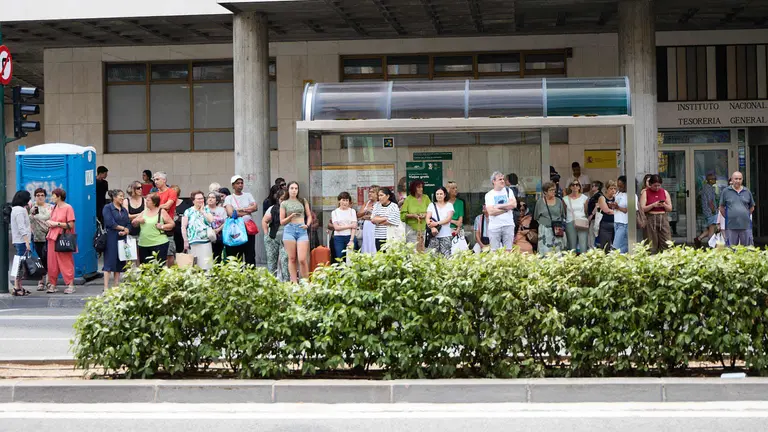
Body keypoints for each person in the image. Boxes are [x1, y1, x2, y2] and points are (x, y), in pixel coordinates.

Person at [45, 188, 76, 294]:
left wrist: (56, 224)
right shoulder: (54, 207)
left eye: (53, 195)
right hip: (52, 237)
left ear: (59, 196)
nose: (52, 197)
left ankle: (70, 284)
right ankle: (52, 284)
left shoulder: (68, 208)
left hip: (62, 237)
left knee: (65, 261)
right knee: (52, 262)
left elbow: (71, 225)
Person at [280, 181, 312, 282]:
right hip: (289, 230)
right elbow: (282, 221)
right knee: (292, 258)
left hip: (302, 229)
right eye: (292, 188)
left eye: (296, 188)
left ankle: (306, 282)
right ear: (288, 190)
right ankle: (294, 283)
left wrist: (307, 225)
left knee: (302, 259)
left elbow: (309, 215)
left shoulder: (303, 201)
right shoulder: (284, 203)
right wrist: (290, 216)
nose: (294, 190)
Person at [224, 175, 258, 265]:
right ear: (233, 185)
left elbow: (255, 207)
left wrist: (239, 210)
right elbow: (231, 213)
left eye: (241, 183)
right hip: (236, 229)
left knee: (250, 254)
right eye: (237, 183)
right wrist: (247, 210)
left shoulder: (248, 195)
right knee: (236, 254)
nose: (240, 185)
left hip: (248, 228)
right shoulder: (229, 198)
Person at [133, 193, 174, 265]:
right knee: (145, 268)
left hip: (159, 243)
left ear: (154, 202)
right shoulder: (144, 212)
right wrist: (138, 221)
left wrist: (162, 226)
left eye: (148, 200)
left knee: (158, 267)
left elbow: (172, 224)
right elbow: (133, 223)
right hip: (143, 244)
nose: (146, 202)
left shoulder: (161, 211)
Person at [102, 189, 130, 291]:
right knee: (109, 261)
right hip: (111, 237)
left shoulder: (124, 210)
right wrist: (123, 228)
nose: (122, 198)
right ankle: (105, 288)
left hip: (122, 238)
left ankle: (116, 286)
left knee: (120, 261)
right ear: (114, 197)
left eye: (123, 196)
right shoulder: (107, 208)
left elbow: (128, 223)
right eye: (120, 196)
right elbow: (110, 222)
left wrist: (126, 230)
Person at [719, 171, 755, 247]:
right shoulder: (726, 191)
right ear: (731, 180)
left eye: (740, 179)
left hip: (746, 226)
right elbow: (721, 207)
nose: (738, 181)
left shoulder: (747, 191)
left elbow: (752, 207)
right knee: (731, 250)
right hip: (730, 226)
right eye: (736, 179)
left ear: (742, 180)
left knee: (748, 250)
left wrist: (744, 215)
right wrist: (730, 217)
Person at [182, 191, 215, 270]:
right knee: (194, 266)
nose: (201, 200)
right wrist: (185, 241)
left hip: (205, 241)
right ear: (193, 200)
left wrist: (203, 212)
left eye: (202, 198)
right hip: (192, 242)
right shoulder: (188, 211)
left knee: (206, 265)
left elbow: (211, 220)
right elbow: (183, 227)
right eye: (198, 199)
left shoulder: (207, 209)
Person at [639, 174, 672, 253]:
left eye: (659, 185)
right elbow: (642, 209)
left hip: (662, 218)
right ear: (650, 184)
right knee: (651, 242)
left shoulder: (664, 192)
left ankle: (666, 257)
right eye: (655, 186)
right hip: (651, 217)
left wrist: (664, 204)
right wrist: (653, 205)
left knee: (666, 240)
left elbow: (670, 208)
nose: (657, 187)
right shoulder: (645, 193)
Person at [485, 171, 517, 251]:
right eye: (500, 179)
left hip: (508, 225)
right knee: (494, 251)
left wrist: (498, 206)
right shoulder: (489, 195)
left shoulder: (509, 191)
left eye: (503, 179)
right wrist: (507, 208)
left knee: (508, 250)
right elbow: (491, 212)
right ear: (494, 181)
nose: (503, 181)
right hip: (494, 226)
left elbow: (513, 205)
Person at [29, 188, 52, 291]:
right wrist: (32, 214)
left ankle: (48, 281)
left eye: (42, 195)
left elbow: (50, 218)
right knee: (40, 259)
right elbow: (30, 221)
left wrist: (38, 217)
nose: (40, 197)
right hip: (38, 237)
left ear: (45, 196)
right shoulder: (33, 207)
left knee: (48, 259)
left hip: (49, 236)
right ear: (35, 196)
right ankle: (41, 280)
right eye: (37, 195)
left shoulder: (50, 207)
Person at [534, 182, 567, 255]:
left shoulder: (559, 201)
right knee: (545, 251)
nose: (553, 192)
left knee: (558, 250)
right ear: (545, 192)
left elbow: (562, 215)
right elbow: (536, 217)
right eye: (551, 190)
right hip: (544, 229)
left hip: (557, 229)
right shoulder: (540, 202)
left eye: (554, 190)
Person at [10, 190, 32, 296]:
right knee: (20, 264)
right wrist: (27, 242)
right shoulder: (19, 210)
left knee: (20, 263)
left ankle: (19, 287)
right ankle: (16, 287)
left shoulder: (16, 209)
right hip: (21, 241)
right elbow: (21, 227)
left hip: (19, 240)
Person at [153, 172, 177, 266]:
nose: (155, 181)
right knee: (157, 253)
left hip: (167, 225)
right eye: (154, 179)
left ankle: (169, 274)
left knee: (169, 253)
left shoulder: (171, 192)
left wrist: (156, 207)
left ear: (164, 180)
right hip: (155, 225)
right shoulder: (155, 194)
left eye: (157, 179)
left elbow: (167, 205)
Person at [263, 193, 289, 279]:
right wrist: (267, 234)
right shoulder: (273, 208)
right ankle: (272, 282)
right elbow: (264, 221)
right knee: (271, 262)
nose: (283, 202)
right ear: (278, 199)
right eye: (281, 199)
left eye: (285, 199)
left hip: (287, 239)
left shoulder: (290, 209)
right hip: (273, 237)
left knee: (285, 261)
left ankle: (287, 282)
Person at [400, 180, 430, 251]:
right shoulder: (408, 199)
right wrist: (413, 215)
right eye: (419, 187)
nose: (421, 189)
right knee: (412, 250)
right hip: (411, 229)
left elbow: (431, 211)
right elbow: (403, 215)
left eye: (422, 187)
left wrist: (425, 215)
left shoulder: (426, 198)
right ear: (414, 188)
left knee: (422, 250)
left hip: (423, 228)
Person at [426, 186, 455, 257]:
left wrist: (436, 223)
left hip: (446, 235)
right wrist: (432, 228)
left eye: (441, 194)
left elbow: (448, 219)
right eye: (437, 194)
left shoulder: (449, 205)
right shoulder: (431, 205)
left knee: (446, 257)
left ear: (445, 195)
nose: (439, 196)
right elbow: (427, 218)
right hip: (434, 236)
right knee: (433, 258)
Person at [371, 187, 401, 252]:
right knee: (380, 257)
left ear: (387, 196)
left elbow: (392, 221)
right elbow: (372, 219)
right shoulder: (376, 205)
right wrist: (385, 218)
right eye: (379, 195)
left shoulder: (394, 206)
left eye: (381, 195)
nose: (380, 197)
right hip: (378, 236)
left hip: (390, 237)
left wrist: (378, 220)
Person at [563, 179, 589, 253]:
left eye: (577, 184)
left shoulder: (584, 198)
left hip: (582, 221)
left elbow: (586, 211)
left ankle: (584, 263)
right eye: (573, 185)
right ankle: (572, 263)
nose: (575, 186)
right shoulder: (565, 199)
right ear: (570, 187)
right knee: (572, 246)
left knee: (583, 246)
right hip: (570, 222)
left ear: (579, 187)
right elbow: (564, 212)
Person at [331, 192, 358, 262]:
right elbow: (336, 227)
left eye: (347, 200)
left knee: (351, 258)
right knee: (339, 257)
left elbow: (354, 226)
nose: (345, 202)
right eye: (343, 200)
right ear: (339, 201)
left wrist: (351, 240)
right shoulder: (335, 212)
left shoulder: (352, 211)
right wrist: (350, 225)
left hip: (350, 236)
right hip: (338, 237)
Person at [612, 176, 635, 254]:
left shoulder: (632, 195)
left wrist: (618, 207)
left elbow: (628, 210)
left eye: (621, 186)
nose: (619, 188)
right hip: (616, 221)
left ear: (626, 185)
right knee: (623, 245)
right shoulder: (618, 193)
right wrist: (612, 206)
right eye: (618, 186)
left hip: (624, 223)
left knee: (615, 246)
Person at [124, 181, 145, 264]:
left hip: (142, 229)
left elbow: (146, 214)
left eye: (141, 187)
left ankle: (139, 273)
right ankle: (129, 273)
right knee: (129, 254)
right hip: (130, 229)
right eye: (138, 188)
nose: (140, 189)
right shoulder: (126, 201)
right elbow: (127, 216)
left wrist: (135, 218)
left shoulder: (144, 200)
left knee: (140, 254)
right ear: (133, 189)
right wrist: (140, 215)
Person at [695, 173, 718, 248]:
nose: (716, 180)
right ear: (710, 180)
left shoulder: (707, 187)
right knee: (712, 229)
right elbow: (710, 201)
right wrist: (714, 210)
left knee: (711, 228)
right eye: (714, 178)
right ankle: (711, 246)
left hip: (708, 211)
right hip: (710, 212)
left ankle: (699, 238)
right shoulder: (708, 188)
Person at [205, 191, 227, 261]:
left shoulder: (222, 210)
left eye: (213, 197)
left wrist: (218, 229)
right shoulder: (203, 209)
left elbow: (226, 222)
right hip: (205, 236)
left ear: (217, 200)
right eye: (209, 197)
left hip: (218, 235)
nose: (210, 199)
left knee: (217, 256)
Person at [596, 180, 618, 250]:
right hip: (605, 224)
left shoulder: (616, 198)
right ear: (607, 189)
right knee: (605, 246)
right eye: (611, 189)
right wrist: (618, 211)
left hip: (616, 223)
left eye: (615, 189)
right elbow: (606, 210)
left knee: (616, 246)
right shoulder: (602, 198)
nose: (613, 191)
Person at [358, 186, 379, 254]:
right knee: (367, 242)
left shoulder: (379, 203)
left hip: (375, 227)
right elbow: (359, 215)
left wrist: (367, 217)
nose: (370, 193)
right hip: (366, 227)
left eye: (372, 192)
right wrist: (366, 210)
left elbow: (378, 217)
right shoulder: (367, 202)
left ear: (377, 194)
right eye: (369, 192)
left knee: (373, 242)